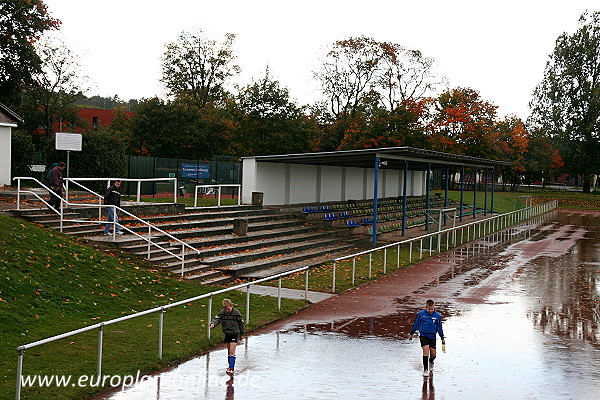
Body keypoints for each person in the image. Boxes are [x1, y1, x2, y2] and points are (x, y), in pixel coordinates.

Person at [409, 299, 445, 377]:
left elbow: (439, 327)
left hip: (432, 336)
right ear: (426, 307)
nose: (430, 311)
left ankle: (431, 362)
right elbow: (416, 324)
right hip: (423, 335)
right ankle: (425, 369)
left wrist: (442, 338)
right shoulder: (421, 314)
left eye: (432, 309)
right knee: (426, 351)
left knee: (433, 355)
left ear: (434, 308)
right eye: (428, 309)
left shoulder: (437, 316)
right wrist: (411, 333)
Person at [209, 298, 245, 376]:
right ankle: (230, 366)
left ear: (231, 306)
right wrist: (213, 324)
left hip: (234, 333)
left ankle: (232, 368)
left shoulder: (236, 313)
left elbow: (241, 323)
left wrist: (242, 333)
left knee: (232, 350)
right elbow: (217, 319)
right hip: (227, 333)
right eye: (226, 309)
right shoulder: (222, 313)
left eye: (228, 309)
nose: (227, 311)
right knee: (229, 351)